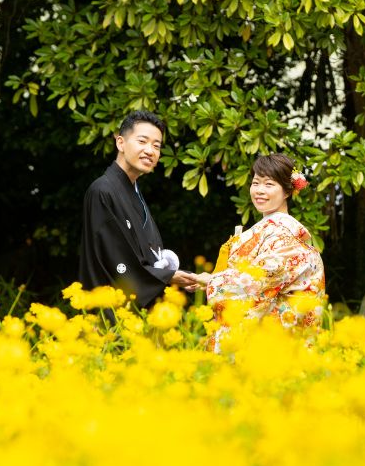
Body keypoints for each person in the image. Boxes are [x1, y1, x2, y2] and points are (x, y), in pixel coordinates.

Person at [182, 153, 326, 341]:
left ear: (287, 191)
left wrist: (213, 281)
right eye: (256, 183)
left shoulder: (284, 234)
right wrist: (212, 280)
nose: (259, 190)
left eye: (269, 184)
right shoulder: (270, 229)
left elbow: (263, 277)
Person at [79, 110, 191, 308]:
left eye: (156, 146)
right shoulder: (103, 191)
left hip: (138, 312)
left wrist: (171, 274)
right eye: (142, 141)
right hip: (112, 309)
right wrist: (168, 276)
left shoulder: (134, 192)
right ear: (120, 143)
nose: (150, 150)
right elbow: (117, 260)